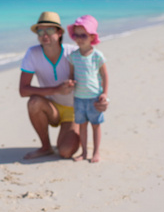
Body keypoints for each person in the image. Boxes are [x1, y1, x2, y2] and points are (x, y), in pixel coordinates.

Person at [19, 11, 80, 159]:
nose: (44, 35)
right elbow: (23, 90)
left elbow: (91, 79)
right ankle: (45, 147)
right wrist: (57, 90)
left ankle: (76, 132)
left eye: (50, 30)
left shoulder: (72, 52)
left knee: (65, 152)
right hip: (52, 108)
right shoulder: (32, 53)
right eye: (40, 31)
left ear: (59, 33)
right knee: (33, 102)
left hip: (73, 111)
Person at [67, 15, 108, 163]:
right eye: (76, 35)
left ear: (92, 37)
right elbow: (71, 75)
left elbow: (104, 75)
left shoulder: (97, 55)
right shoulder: (73, 56)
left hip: (94, 98)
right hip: (79, 98)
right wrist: (70, 83)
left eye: (83, 35)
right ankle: (84, 152)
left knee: (96, 126)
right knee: (82, 126)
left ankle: (96, 152)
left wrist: (104, 93)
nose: (79, 38)